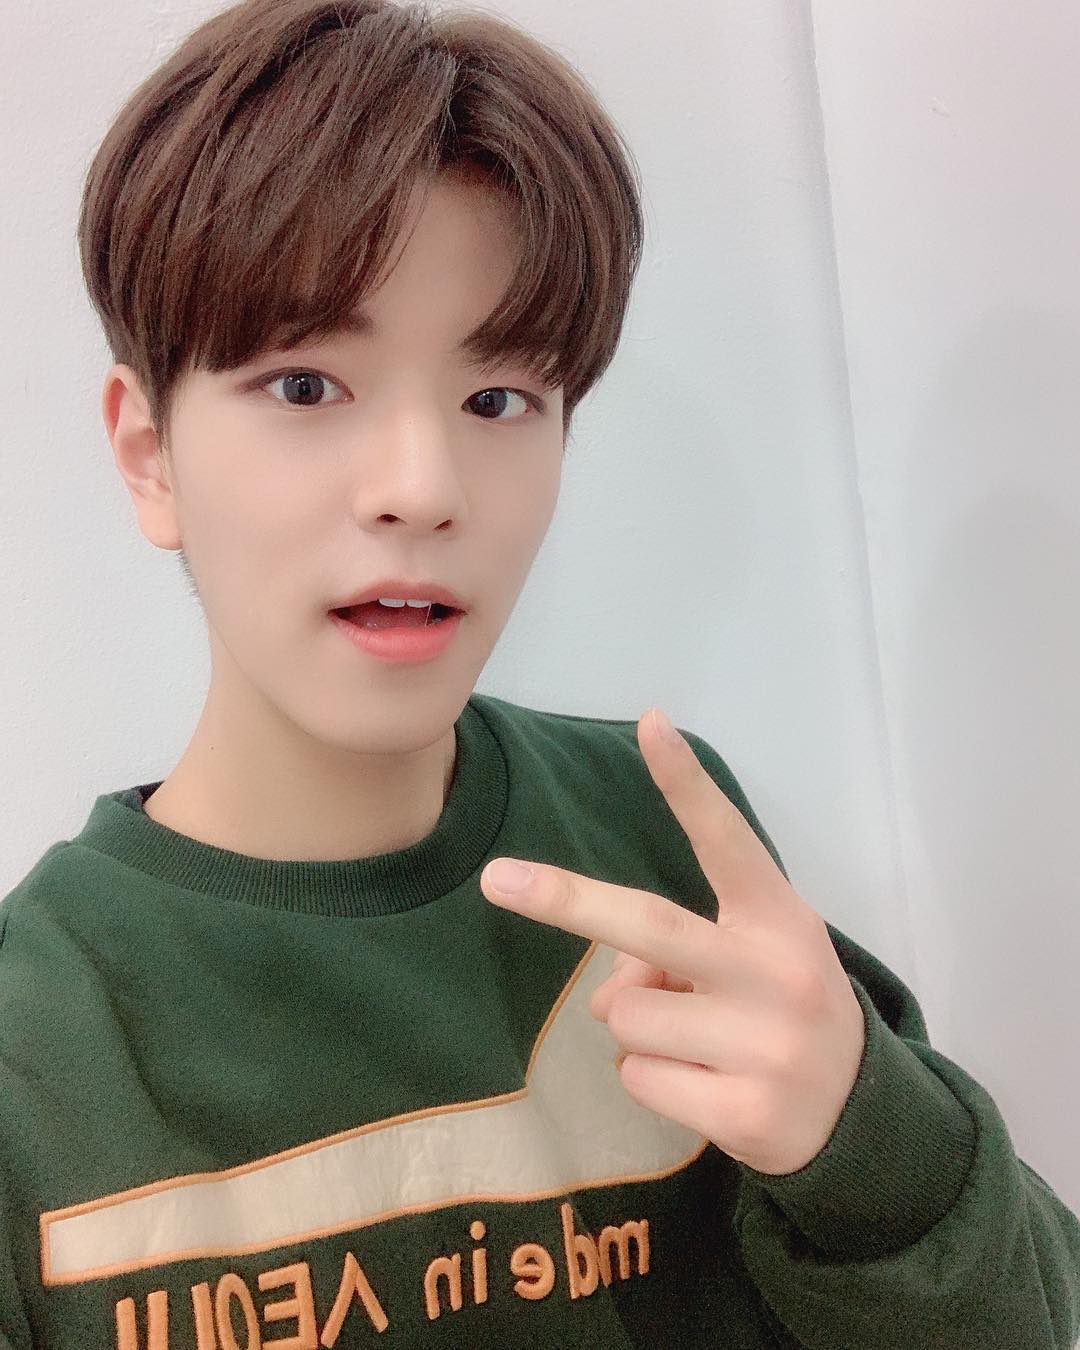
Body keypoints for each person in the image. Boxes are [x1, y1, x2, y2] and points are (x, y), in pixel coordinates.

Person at [2, 1, 1078, 1345]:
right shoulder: (36, 1046)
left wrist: (872, 1151)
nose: (422, 487)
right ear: (148, 453)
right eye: (306, 387)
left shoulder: (664, 846)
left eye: (499, 399)